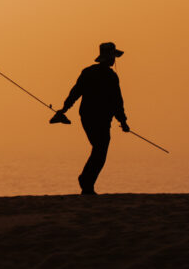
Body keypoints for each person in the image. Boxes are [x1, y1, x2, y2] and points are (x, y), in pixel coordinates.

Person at [50, 41, 131, 195]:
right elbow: (117, 101)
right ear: (109, 57)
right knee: (100, 150)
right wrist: (123, 121)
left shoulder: (88, 72)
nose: (114, 60)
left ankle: (87, 183)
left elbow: (75, 92)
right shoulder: (111, 77)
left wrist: (64, 109)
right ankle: (86, 181)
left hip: (87, 117)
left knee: (98, 149)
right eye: (113, 57)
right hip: (101, 119)